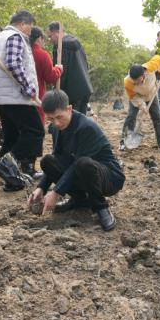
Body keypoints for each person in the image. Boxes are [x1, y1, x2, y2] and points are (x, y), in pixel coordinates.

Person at [28, 90, 125, 231]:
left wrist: (56, 192)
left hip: (108, 177)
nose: (55, 123)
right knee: (47, 161)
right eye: (50, 119)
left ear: (69, 109)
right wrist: (41, 187)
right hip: (82, 171)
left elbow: (76, 165)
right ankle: (80, 200)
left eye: (59, 117)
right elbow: (58, 157)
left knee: (83, 163)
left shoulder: (86, 127)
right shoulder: (56, 128)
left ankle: (101, 207)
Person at [0, 11, 45, 179]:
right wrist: (28, 88)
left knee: (12, 135)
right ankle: (4, 164)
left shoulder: (0, 38)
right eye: (30, 27)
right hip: (14, 96)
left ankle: (13, 174)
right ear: (23, 24)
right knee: (35, 131)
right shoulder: (15, 36)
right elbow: (13, 63)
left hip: (2, 96)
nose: (30, 31)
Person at [119, 54, 160, 153]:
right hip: (137, 97)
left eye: (137, 80)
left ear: (143, 74)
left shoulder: (151, 66)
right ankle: (124, 143)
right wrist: (142, 105)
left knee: (158, 117)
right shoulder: (128, 82)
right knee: (131, 117)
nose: (135, 82)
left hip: (151, 94)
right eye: (134, 81)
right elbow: (133, 97)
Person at [47, 23, 93, 116]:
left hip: (70, 93)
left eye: (49, 36)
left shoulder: (60, 47)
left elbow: (61, 72)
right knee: (80, 121)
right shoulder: (76, 42)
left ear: (56, 33)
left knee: (69, 122)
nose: (49, 40)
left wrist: (57, 90)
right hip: (84, 88)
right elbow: (86, 64)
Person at [29, 25, 63, 124]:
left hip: (18, 98)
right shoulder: (42, 54)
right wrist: (58, 69)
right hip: (37, 96)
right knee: (37, 127)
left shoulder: (21, 52)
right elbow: (50, 77)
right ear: (39, 38)